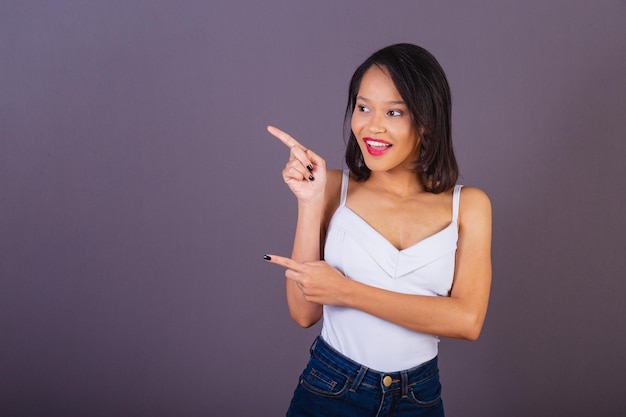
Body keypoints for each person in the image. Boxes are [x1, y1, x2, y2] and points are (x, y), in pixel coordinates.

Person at [264, 43, 492, 417]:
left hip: (417, 397)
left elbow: (467, 320)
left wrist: (348, 292)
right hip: (329, 388)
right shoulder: (331, 188)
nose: (372, 126)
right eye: (363, 107)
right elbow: (304, 313)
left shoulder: (469, 205)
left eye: (394, 112)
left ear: (426, 120)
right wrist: (308, 202)